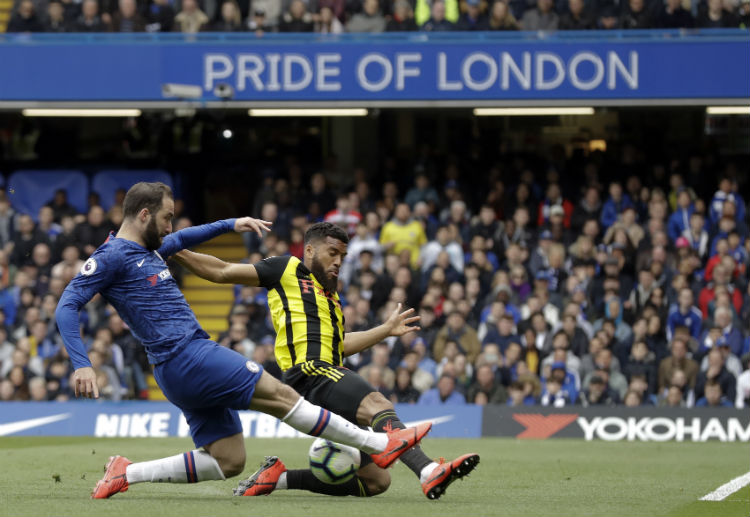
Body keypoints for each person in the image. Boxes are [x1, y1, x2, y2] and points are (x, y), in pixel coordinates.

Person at [55, 183, 430, 499]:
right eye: (166, 217)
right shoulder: (112, 256)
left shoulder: (153, 247)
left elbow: (187, 236)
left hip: (174, 371)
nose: (171, 226)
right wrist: (82, 363)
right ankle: (381, 445)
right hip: (188, 354)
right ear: (143, 215)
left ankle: (126, 473)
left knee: (228, 460)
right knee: (284, 397)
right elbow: (67, 305)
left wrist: (233, 223)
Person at [176, 222, 478, 500]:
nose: (338, 262)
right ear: (309, 250)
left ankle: (278, 478)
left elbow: (339, 345)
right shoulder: (286, 268)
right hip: (309, 373)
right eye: (332, 253)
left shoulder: (331, 295)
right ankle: (429, 472)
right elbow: (223, 272)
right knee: (378, 405)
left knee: (376, 482)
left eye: (342, 256)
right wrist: (171, 248)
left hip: (329, 372)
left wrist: (384, 330)